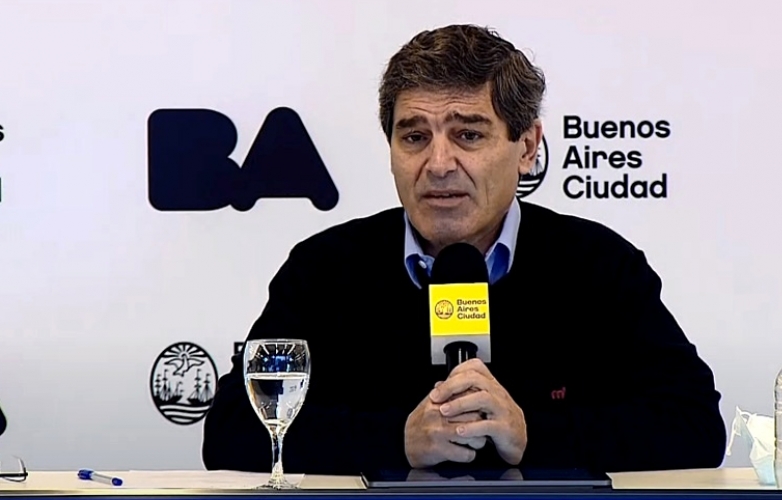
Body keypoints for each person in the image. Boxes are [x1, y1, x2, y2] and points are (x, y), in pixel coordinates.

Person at [202, 24, 726, 475]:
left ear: (527, 147)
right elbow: (231, 430)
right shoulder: (324, 269)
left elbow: (695, 427)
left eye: (468, 136)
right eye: (414, 137)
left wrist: (531, 434)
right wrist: (397, 440)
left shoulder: (598, 265)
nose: (438, 164)